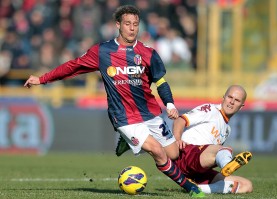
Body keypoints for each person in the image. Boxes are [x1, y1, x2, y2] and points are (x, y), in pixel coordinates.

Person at [24, 5, 204, 198]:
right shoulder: (102, 52)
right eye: (128, 24)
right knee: (157, 152)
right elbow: (72, 67)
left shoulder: (149, 53)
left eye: (135, 24)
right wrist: (42, 79)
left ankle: (126, 143)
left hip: (150, 113)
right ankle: (191, 188)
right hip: (124, 117)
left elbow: (160, 81)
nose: (132, 28)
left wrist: (169, 104)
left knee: (173, 154)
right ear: (118, 25)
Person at [173, 85, 253, 194]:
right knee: (224, 149)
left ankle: (197, 188)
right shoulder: (210, 110)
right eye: (230, 97)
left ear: (241, 106)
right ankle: (227, 165)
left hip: (200, 169)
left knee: (246, 185)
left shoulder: (227, 130)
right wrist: (177, 140)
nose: (232, 102)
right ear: (223, 98)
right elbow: (180, 120)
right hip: (187, 155)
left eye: (237, 100)